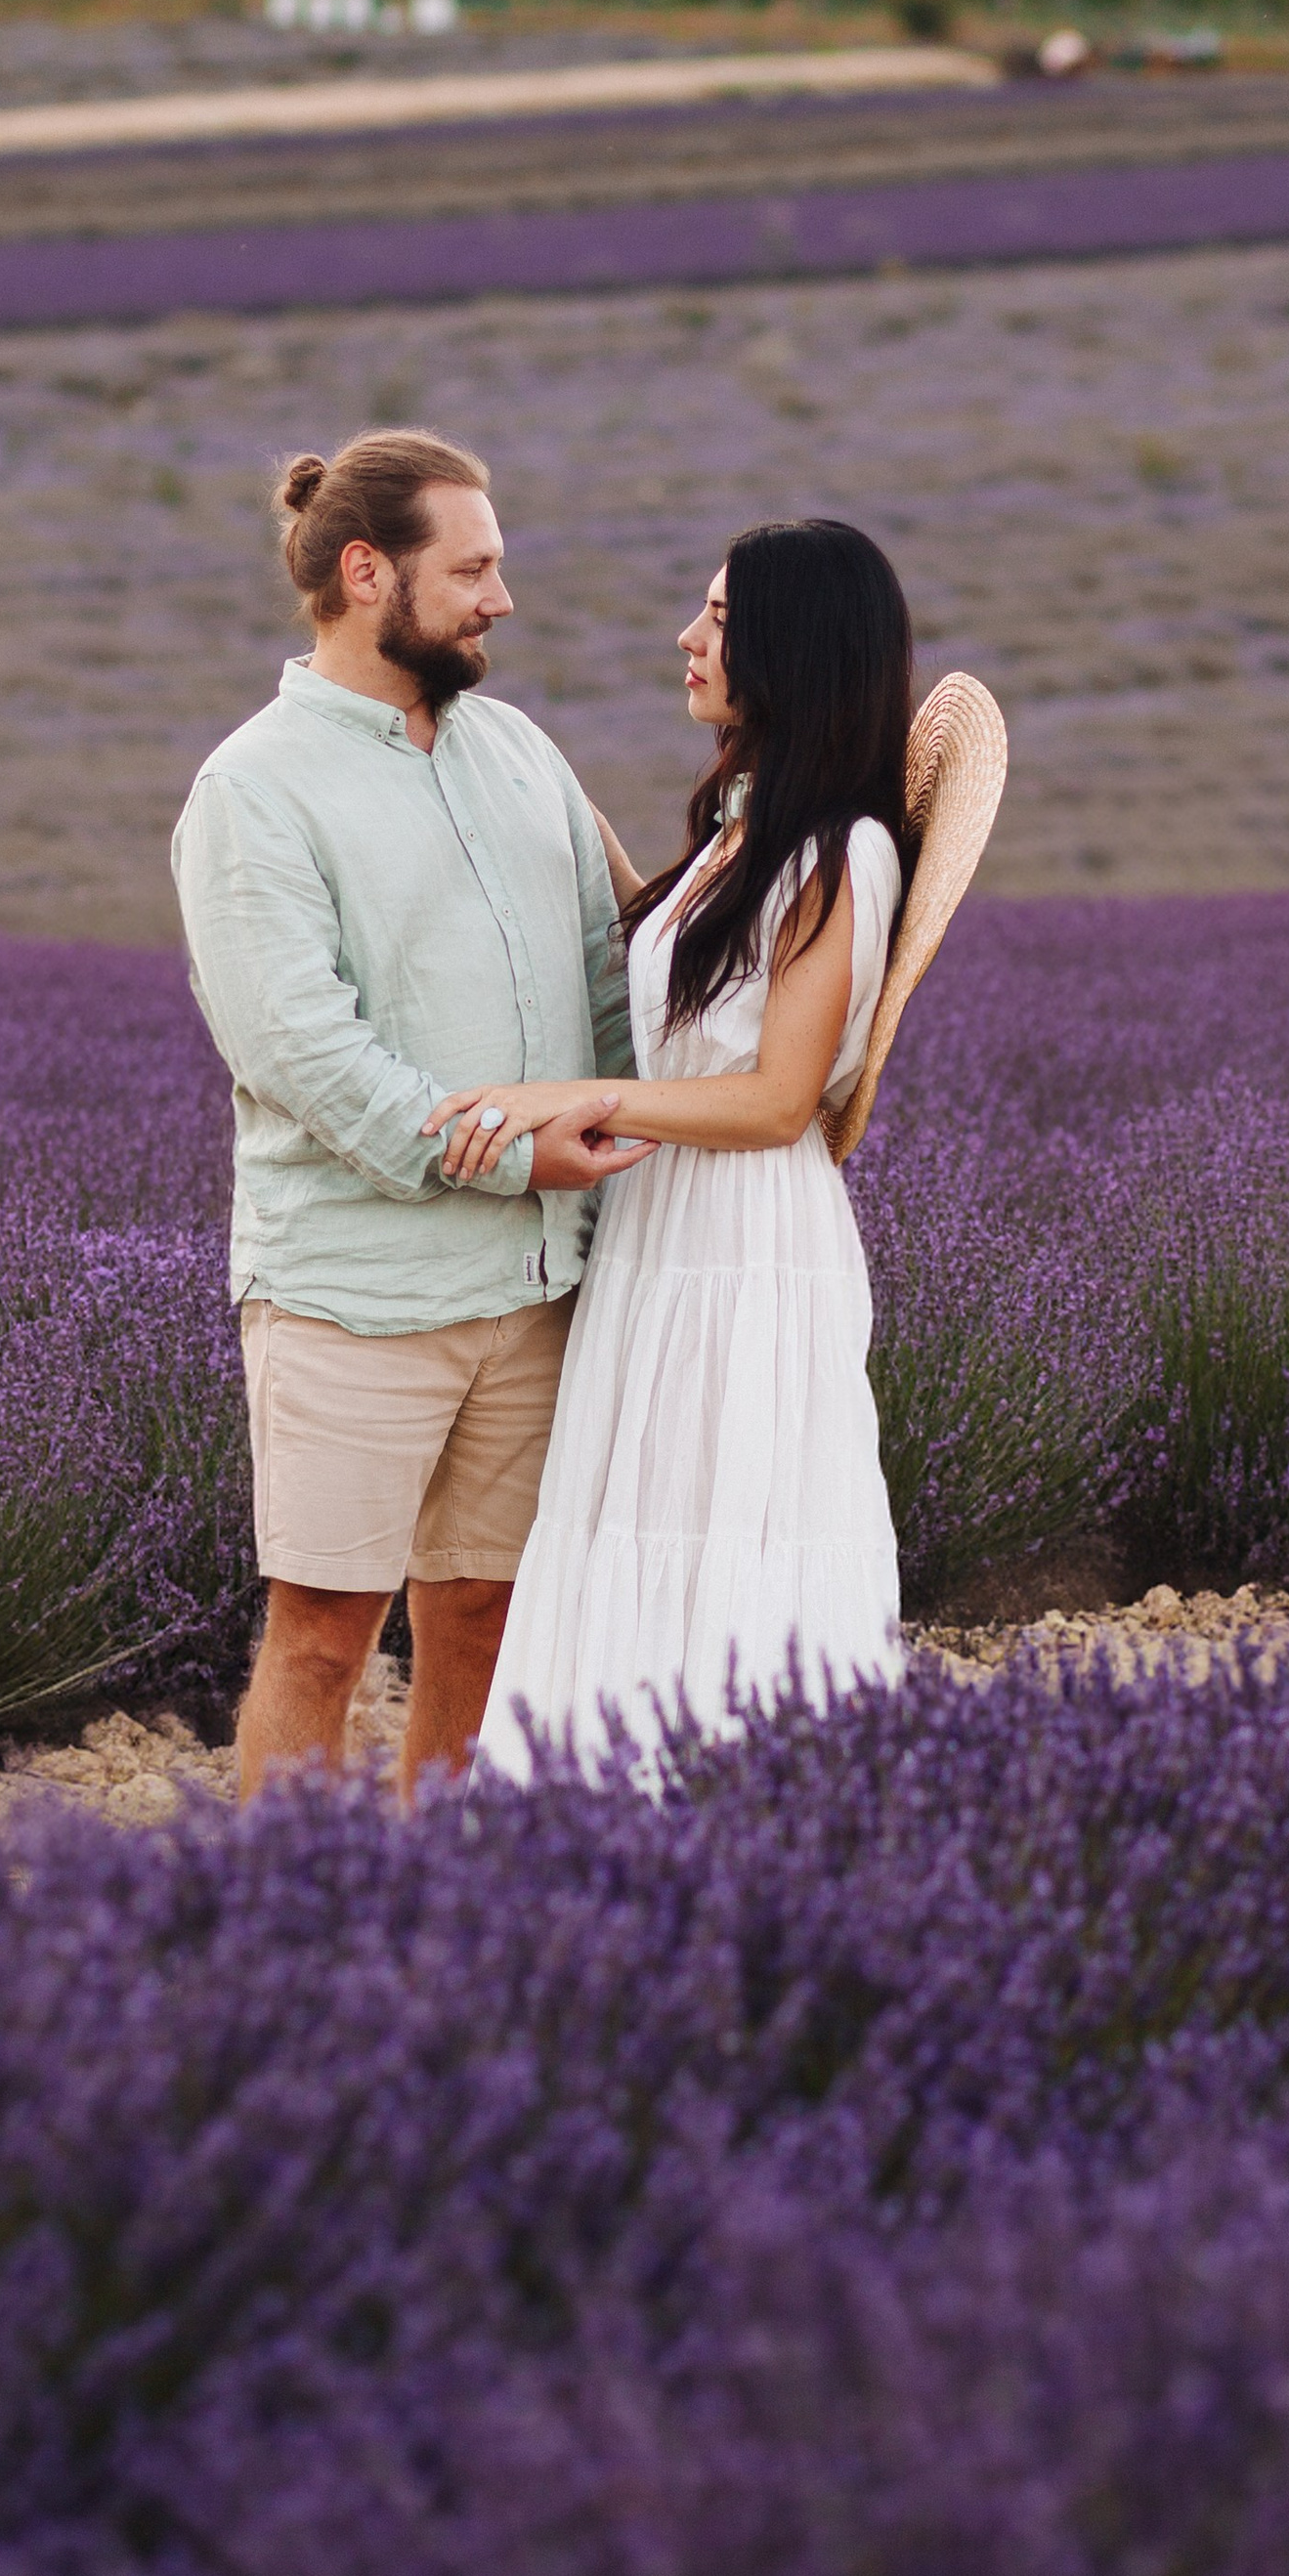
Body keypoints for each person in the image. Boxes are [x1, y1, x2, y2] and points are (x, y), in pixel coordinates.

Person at [171, 427, 644, 1797]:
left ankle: (444, 1922)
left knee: (488, 1625)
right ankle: (297, 1945)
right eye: (477, 567)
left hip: (536, 1284)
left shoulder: (520, 755)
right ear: (369, 572)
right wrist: (512, 1156)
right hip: (355, 1297)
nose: (503, 599)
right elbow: (303, 1054)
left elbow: (609, 984)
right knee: (321, 1643)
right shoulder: (253, 789)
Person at [432, 517, 913, 1777]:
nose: (687, 639)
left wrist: (574, 1097)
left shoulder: (839, 850)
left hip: (748, 1238)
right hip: (663, 1233)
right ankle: (617, 1829)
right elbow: (700, 1014)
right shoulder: (739, 835)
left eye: (719, 619)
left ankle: (743, 1824)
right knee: (638, 1513)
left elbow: (772, 1101)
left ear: (794, 652)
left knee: (736, 1523)